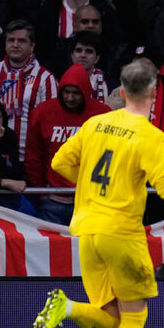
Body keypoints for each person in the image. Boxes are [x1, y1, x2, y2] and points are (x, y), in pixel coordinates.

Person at [32, 59, 164, 328]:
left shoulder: (96, 124)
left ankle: (68, 308)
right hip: (120, 232)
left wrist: (91, 187)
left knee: (110, 321)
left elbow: (59, 163)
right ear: (154, 93)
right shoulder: (153, 137)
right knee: (135, 316)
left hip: (87, 230)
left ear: (121, 92)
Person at [25, 63, 111, 225]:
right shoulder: (43, 112)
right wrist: (41, 190)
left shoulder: (103, 114)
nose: (70, 98)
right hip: (52, 201)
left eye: (75, 93)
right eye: (66, 92)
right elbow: (33, 155)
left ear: (85, 92)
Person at [0, 20, 59, 161]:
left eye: (22, 41)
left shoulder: (46, 78)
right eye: (11, 40)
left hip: (29, 159)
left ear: (32, 46)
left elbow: (53, 124)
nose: (15, 45)